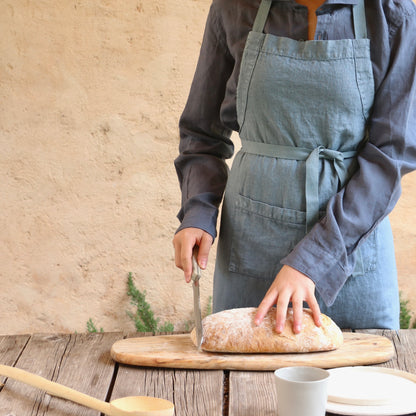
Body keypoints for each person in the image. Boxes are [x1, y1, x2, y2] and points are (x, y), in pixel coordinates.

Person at [173, 0, 416, 333]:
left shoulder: (392, 15)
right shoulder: (233, 7)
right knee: (247, 383)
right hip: (251, 257)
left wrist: (312, 261)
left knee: (360, 383)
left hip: (351, 261)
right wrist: (198, 211)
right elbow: (201, 134)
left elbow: (391, 155)